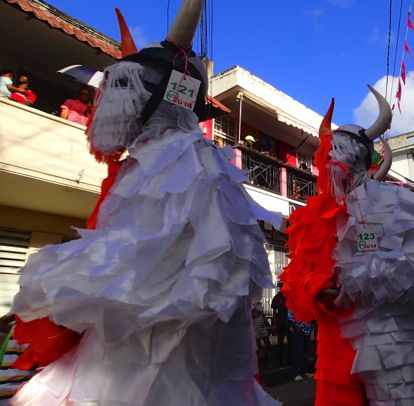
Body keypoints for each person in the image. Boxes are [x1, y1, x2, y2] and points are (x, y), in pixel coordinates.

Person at [9, 2, 279, 405]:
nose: (111, 101)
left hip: (172, 355)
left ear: (170, 94)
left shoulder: (195, 161)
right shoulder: (135, 168)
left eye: (126, 87)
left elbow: (188, 274)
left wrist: (69, 278)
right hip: (112, 352)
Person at [281, 87, 414, 405]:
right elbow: (294, 279)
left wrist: (354, 279)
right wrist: (318, 288)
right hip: (335, 343)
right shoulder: (314, 215)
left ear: (358, 156)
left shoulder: (399, 202)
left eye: (338, 152)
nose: (331, 159)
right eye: (328, 153)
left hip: (394, 340)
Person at [288, 309, 314, 382]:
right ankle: (297, 373)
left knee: (306, 351)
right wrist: (296, 328)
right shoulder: (292, 302)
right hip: (298, 329)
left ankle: (304, 371)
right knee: (298, 351)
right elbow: (290, 317)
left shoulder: (305, 302)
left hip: (307, 328)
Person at [271, 281, 291, 367]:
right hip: (280, 322)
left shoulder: (288, 297)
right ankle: (280, 362)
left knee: (291, 342)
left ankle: (289, 361)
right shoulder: (276, 298)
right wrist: (275, 324)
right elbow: (274, 312)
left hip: (288, 322)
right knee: (280, 342)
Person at [252, 302, 271, 371]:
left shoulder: (260, 309)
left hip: (262, 328)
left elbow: (264, 318)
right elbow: (253, 316)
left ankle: (265, 362)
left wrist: (268, 325)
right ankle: (257, 364)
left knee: (268, 344)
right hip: (256, 329)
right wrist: (256, 311)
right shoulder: (253, 311)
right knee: (258, 346)